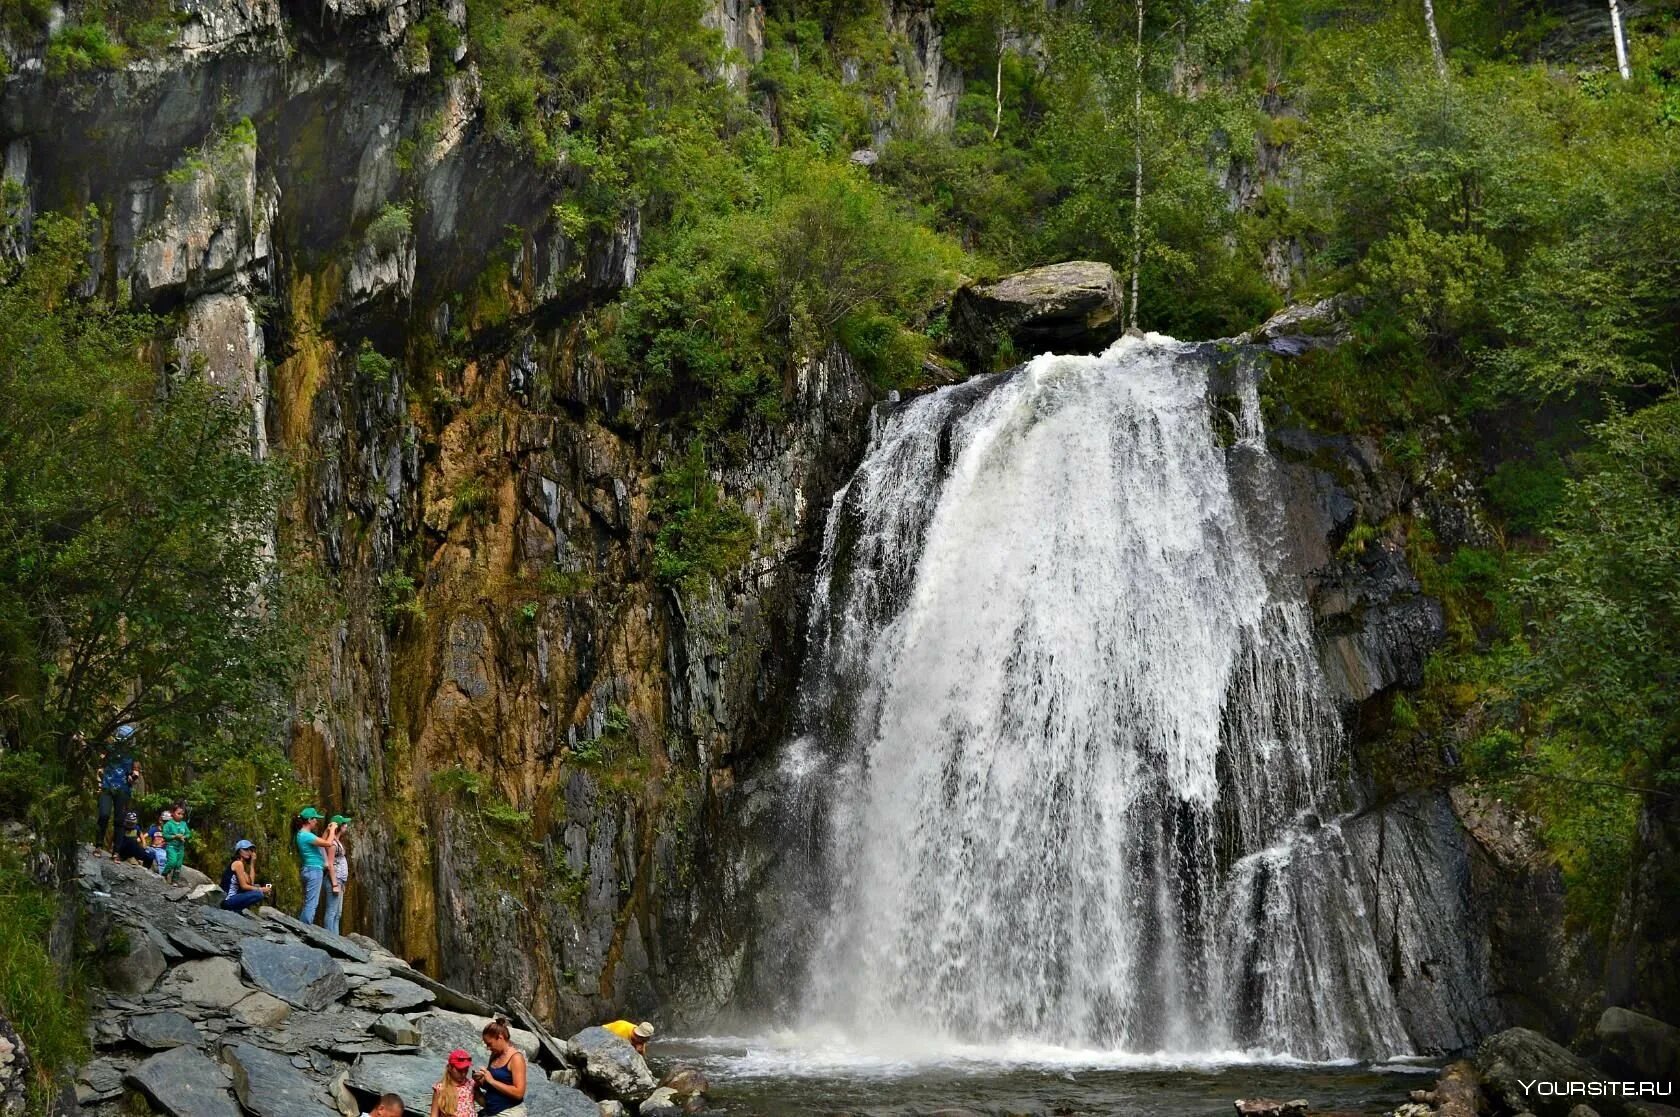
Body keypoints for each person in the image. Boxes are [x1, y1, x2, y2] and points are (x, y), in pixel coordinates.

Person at [94, 725, 139, 854]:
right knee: (103, 815)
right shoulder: (109, 749)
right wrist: (99, 782)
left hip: (123, 790)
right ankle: (98, 845)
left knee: (119, 820)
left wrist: (133, 777)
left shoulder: (133, 754)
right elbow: (100, 765)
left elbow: (136, 771)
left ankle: (116, 851)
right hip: (107, 787)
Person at [474, 1018, 527, 1116]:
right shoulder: (495, 1054)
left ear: (500, 1037)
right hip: (490, 1108)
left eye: (490, 1044)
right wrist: (481, 1079)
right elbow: (490, 1085)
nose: (488, 1048)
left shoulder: (516, 1058)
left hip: (508, 1111)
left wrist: (492, 1081)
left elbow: (519, 1093)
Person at [294, 808, 333, 924]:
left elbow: (321, 842)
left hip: (308, 869)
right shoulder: (306, 835)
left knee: (309, 900)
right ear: (309, 820)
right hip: (314, 870)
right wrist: (333, 831)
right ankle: (304, 928)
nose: (316, 821)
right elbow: (328, 843)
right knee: (312, 902)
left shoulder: (302, 834)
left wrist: (327, 831)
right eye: (315, 819)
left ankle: (302, 927)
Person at [221, 839, 272, 912]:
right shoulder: (238, 864)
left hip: (234, 898)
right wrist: (261, 889)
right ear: (239, 851)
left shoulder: (242, 867)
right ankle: (236, 910)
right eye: (245, 849)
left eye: (250, 850)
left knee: (256, 886)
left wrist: (252, 863)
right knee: (258, 894)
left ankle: (237, 910)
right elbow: (244, 886)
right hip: (228, 900)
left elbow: (251, 883)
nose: (249, 852)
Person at [323, 814, 353, 935]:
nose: (346, 825)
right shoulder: (333, 844)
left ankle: (336, 939)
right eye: (344, 823)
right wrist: (335, 884)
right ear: (339, 826)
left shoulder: (337, 841)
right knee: (331, 911)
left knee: (338, 913)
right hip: (333, 881)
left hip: (340, 881)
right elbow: (330, 864)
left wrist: (342, 883)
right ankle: (328, 938)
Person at [429, 1050, 475, 1117]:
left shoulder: (471, 1084)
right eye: (459, 1070)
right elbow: (434, 1114)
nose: (463, 1073)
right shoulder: (440, 1089)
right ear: (450, 1068)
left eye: (466, 1070)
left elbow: (486, 1103)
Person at [161, 802, 191, 882]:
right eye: (179, 813)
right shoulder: (168, 824)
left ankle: (175, 880)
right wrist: (174, 836)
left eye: (182, 814)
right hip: (171, 847)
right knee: (172, 862)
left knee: (178, 865)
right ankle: (164, 874)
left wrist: (184, 837)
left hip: (180, 847)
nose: (181, 815)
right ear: (172, 813)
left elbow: (188, 833)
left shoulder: (183, 824)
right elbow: (165, 835)